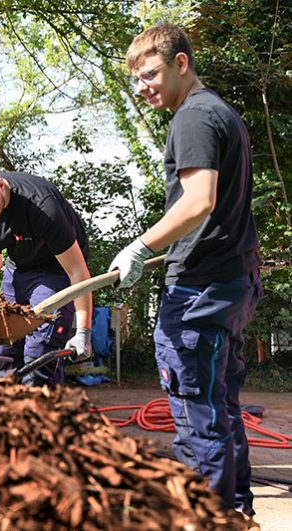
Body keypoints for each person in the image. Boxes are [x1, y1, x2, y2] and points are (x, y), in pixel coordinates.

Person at [108, 24, 263, 517]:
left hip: (201, 289)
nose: (143, 86)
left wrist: (140, 244)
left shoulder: (193, 118)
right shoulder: (222, 114)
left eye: (150, 73)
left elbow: (199, 202)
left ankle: (208, 518)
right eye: (136, 79)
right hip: (231, 283)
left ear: (180, 64)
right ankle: (236, 512)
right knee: (222, 407)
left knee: (198, 418)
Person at [0, 159, 93, 387]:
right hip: (19, 266)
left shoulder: (41, 205)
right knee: (5, 352)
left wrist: (84, 331)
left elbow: (76, 270)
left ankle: (41, 415)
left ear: (0, 185)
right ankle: (6, 416)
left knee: (37, 355)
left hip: (57, 268)